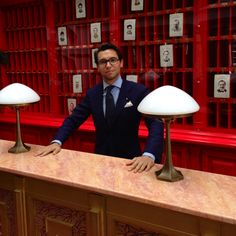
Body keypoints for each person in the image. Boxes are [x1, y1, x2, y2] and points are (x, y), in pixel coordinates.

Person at [36, 43, 164, 173]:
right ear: (97, 67)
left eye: (112, 60)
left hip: (131, 163)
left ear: (121, 63)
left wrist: (149, 154)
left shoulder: (138, 91)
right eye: (103, 62)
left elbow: (155, 123)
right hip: (101, 161)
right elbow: (73, 120)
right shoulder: (93, 94)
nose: (108, 65)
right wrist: (57, 141)